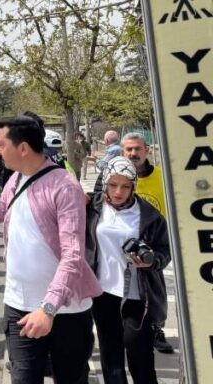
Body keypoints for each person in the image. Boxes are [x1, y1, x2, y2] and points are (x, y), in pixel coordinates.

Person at [0, 116, 101, 384]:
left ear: (23, 148)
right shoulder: (16, 179)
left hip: (65, 312)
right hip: (19, 307)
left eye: (0, 144)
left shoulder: (65, 186)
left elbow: (73, 256)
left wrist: (48, 309)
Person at [85, 157, 170, 384]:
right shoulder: (93, 207)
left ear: (134, 186)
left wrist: (151, 262)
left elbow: (165, 250)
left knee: (140, 356)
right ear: (105, 183)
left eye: (125, 186)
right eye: (113, 185)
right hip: (102, 294)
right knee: (111, 358)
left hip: (137, 297)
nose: (118, 191)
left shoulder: (149, 215)